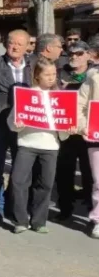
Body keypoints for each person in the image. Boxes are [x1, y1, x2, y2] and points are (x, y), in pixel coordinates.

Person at [9, 58, 76, 234]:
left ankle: (39, 221)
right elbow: (12, 123)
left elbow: (63, 130)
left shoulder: (60, 97)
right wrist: (18, 123)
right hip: (27, 144)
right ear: (37, 75)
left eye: (54, 74)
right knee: (18, 181)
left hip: (50, 146)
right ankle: (20, 220)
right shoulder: (26, 95)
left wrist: (67, 129)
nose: (51, 78)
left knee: (45, 184)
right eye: (47, 74)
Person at [0, 29, 34, 220]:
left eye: (19, 44)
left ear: (27, 47)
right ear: (6, 43)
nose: (14, 47)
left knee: (20, 170)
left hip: (24, 126)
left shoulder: (34, 65)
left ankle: (14, 206)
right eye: (11, 42)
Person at [55, 40, 94, 221]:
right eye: (71, 54)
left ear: (87, 54)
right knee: (64, 171)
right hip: (66, 131)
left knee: (90, 173)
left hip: (88, 132)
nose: (74, 57)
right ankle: (64, 209)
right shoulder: (59, 73)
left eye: (79, 54)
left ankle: (90, 210)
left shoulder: (94, 75)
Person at [76, 39, 99, 239]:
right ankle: (98, 219)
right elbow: (80, 105)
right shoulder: (93, 77)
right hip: (96, 137)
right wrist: (85, 126)